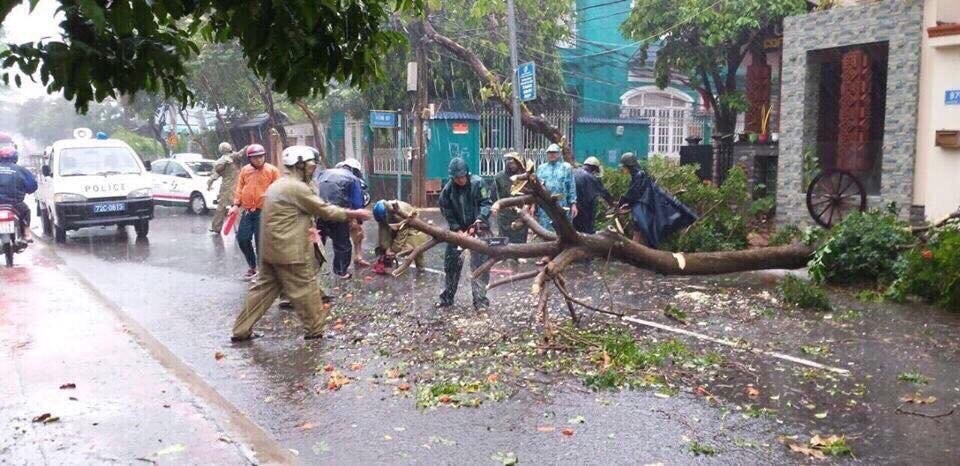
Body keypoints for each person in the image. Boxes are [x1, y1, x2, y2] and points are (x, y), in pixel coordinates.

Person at [231, 146, 372, 342]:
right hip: (290, 251)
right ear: (299, 164)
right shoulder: (296, 188)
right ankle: (315, 331)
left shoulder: (279, 184)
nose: (313, 169)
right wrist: (354, 213)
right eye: (310, 165)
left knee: (261, 292)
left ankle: (240, 330)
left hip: (270, 250)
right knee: (307, 291)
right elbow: (324, 210)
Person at [436, 157, 492, 311]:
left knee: (479, 266)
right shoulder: (447, 191)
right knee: (451, 264)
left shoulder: (478, 183)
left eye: (462, 177)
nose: (460, 180)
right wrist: (458, 230)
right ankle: (447, 298)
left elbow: (486, 203)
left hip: (480, 229)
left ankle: (480, 301)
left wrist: (478, 221)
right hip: (458, 231)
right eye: (456, 178)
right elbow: (446, 211)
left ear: (467, 174)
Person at [618, 152, 697, 247]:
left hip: (645, 207)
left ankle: (641, 250)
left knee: (643, 229)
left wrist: (623, 201)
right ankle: (634, 249)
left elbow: (634, 192)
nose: (623, 169)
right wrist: (626, 203)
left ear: (629, 165)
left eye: (624, 166)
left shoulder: (639, 175)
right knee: (638, 229)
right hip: (642, 206)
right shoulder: (637, 175)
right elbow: (634, 193)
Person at [229, 144, 280, 280]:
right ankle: (252, 266)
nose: (258, 160)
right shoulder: (245, 170)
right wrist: (235, 205)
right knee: (242, 239)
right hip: (247, 211)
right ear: (249, 159)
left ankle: (262, 271)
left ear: (264, 156)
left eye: (260, 157)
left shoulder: (272, 171)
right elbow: (240, 188)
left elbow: (279, 189)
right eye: (255, 158)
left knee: (260, 242)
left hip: (264, 212)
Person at [315, 158, 366, 279]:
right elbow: (357, 203)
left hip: (318, 211)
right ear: (355, 170)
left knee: (318, 242)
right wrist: (358, 220)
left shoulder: (323, 173)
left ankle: (314, 270)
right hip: (338, 213)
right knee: (342, 244)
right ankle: (341, 271)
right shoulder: (353, 179)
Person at [371, 199, 430, 274]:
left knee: (414, 246)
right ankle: (385, 262)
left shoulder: (398, 213)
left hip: (412, 227)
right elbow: (383, 230)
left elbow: (402, 234)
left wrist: (394, 250)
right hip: (397, 225)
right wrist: (386, 248)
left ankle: (421, 268)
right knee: (382, 244)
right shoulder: (382, 215)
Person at [535, 143, 577, 231]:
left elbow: (571, 187)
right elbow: (536, 188)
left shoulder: (566, 167)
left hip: (562, 204)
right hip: (545, 205)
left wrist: (573, 204)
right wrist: (533, 205)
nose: (551, 155)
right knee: (545, 229)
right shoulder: (541, 168)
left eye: (554, 152)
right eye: (549, 153)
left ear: (559, 154)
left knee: (563, 228)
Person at [0, 147, 37, 246]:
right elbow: (32, 186)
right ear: (15, 157)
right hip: (15, 203)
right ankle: (26, 233)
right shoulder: (21, 170)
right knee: (26, 211)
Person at [493, 152, 529, 244]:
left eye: (514, 163)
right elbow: (494, 195)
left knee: (520, 233)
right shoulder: (499, 177)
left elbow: (531, 194)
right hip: (505, 213)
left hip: (520, 210)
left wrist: (529, 206)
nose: (512, 165)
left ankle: (520, 255)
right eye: (510, 163)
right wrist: (498, 207)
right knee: (505, 237)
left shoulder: (524, 176)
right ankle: (505, 255)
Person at [572, 156, 614, 234]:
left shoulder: (574, 172)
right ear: (594, 168)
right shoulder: (591, 177)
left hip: (573, 206)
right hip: (586, 207)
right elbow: (604, 192)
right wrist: (612, 204)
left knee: (575, 229)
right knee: (587, 230)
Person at [208, 142, 244, 233]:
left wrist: (209, 184)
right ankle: (240, 227)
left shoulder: (222, 161)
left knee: (221, 208)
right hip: (238, 186)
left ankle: (216, 227)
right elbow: (241, 154)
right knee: (238, 208)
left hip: (226, 188)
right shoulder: (233, 157)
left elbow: (214, 176)